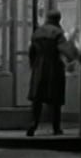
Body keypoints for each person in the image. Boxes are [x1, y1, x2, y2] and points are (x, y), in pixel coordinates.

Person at [26, 9, 67, 137]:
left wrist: (34, 66)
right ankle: (56, 127)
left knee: (37, 100)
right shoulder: (58, 32)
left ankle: (33, 124)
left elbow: (31, 52)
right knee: (56, 99)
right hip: (54, 67)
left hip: (39, 68)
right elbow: (66, 50)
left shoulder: (37, 32)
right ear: (58, 19)